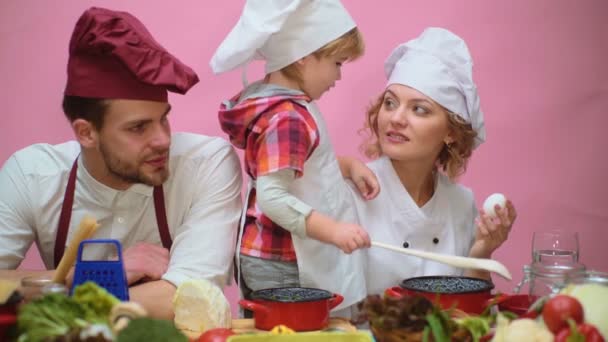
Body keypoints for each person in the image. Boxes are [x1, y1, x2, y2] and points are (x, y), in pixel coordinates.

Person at [0, 7, 242, 319]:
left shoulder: (206, 163)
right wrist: (91, 275)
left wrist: (45, 300)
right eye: (138, 128)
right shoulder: (31, 173)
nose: (163, 140)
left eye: (163, 120)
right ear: (86, 133)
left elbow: (184, 301)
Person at [210, 0, 378, 313]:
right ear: (302, 58)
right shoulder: (288, 117)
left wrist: (348, 166)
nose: (339, 76)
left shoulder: (278, 104)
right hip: (281, 262)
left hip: (272, 256)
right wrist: (334, 231)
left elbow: (298, 166)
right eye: (337, 63)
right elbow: (272, 196)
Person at [354, 27, 517, 296]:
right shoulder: (354, 191)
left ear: (451, 132)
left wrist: (481, 252)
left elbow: (470, 314)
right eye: (390, 103)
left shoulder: (461, 203)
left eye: (419, 109)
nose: (396, 118)